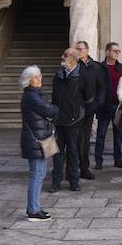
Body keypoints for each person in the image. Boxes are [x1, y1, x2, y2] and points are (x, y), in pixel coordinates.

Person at [18, 65, 57, 222]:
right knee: (37, 174)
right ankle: (33, 209)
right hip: (36, 140)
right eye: (35, 77)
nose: (39, 79)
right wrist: (55, 109)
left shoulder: (34, 94)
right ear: (28, 80)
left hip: (40, 138)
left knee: (40, 173)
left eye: (39, 76)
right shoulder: (31, 96)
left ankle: (35, 206)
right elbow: (48, 110)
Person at [50, 48, 92, 192]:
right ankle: (56, 182)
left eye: (65, 55)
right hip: (59, 120)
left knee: (73, 152)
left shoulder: (82, 75)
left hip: (75, 121)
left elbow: (89, 98)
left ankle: (74, 181)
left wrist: (81, 115)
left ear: (73, 59)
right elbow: (54, 97)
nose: (62, 57)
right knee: (57, 153)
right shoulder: (59, 75)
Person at [73, 41, 102, 179]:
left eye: (80, 49)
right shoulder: (72, 66)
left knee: (85, 140)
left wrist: (97, 103)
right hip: (73, 109)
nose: (78, 51)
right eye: (76, 49)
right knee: (73, 139)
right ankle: (71, 169)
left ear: (87, 50)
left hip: (89, 109)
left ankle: (84, 168)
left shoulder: (95, 67)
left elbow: (102, 87)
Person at [94, 41, 122, 171]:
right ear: (107, 52)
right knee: (101, 134)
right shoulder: (100, 67)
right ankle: (98, 161)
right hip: (104, 106)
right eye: (114, 51)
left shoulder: (121, 68)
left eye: (118, 51)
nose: (117, 53)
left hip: (118, 106)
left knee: (118, 135)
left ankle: (118, 160)